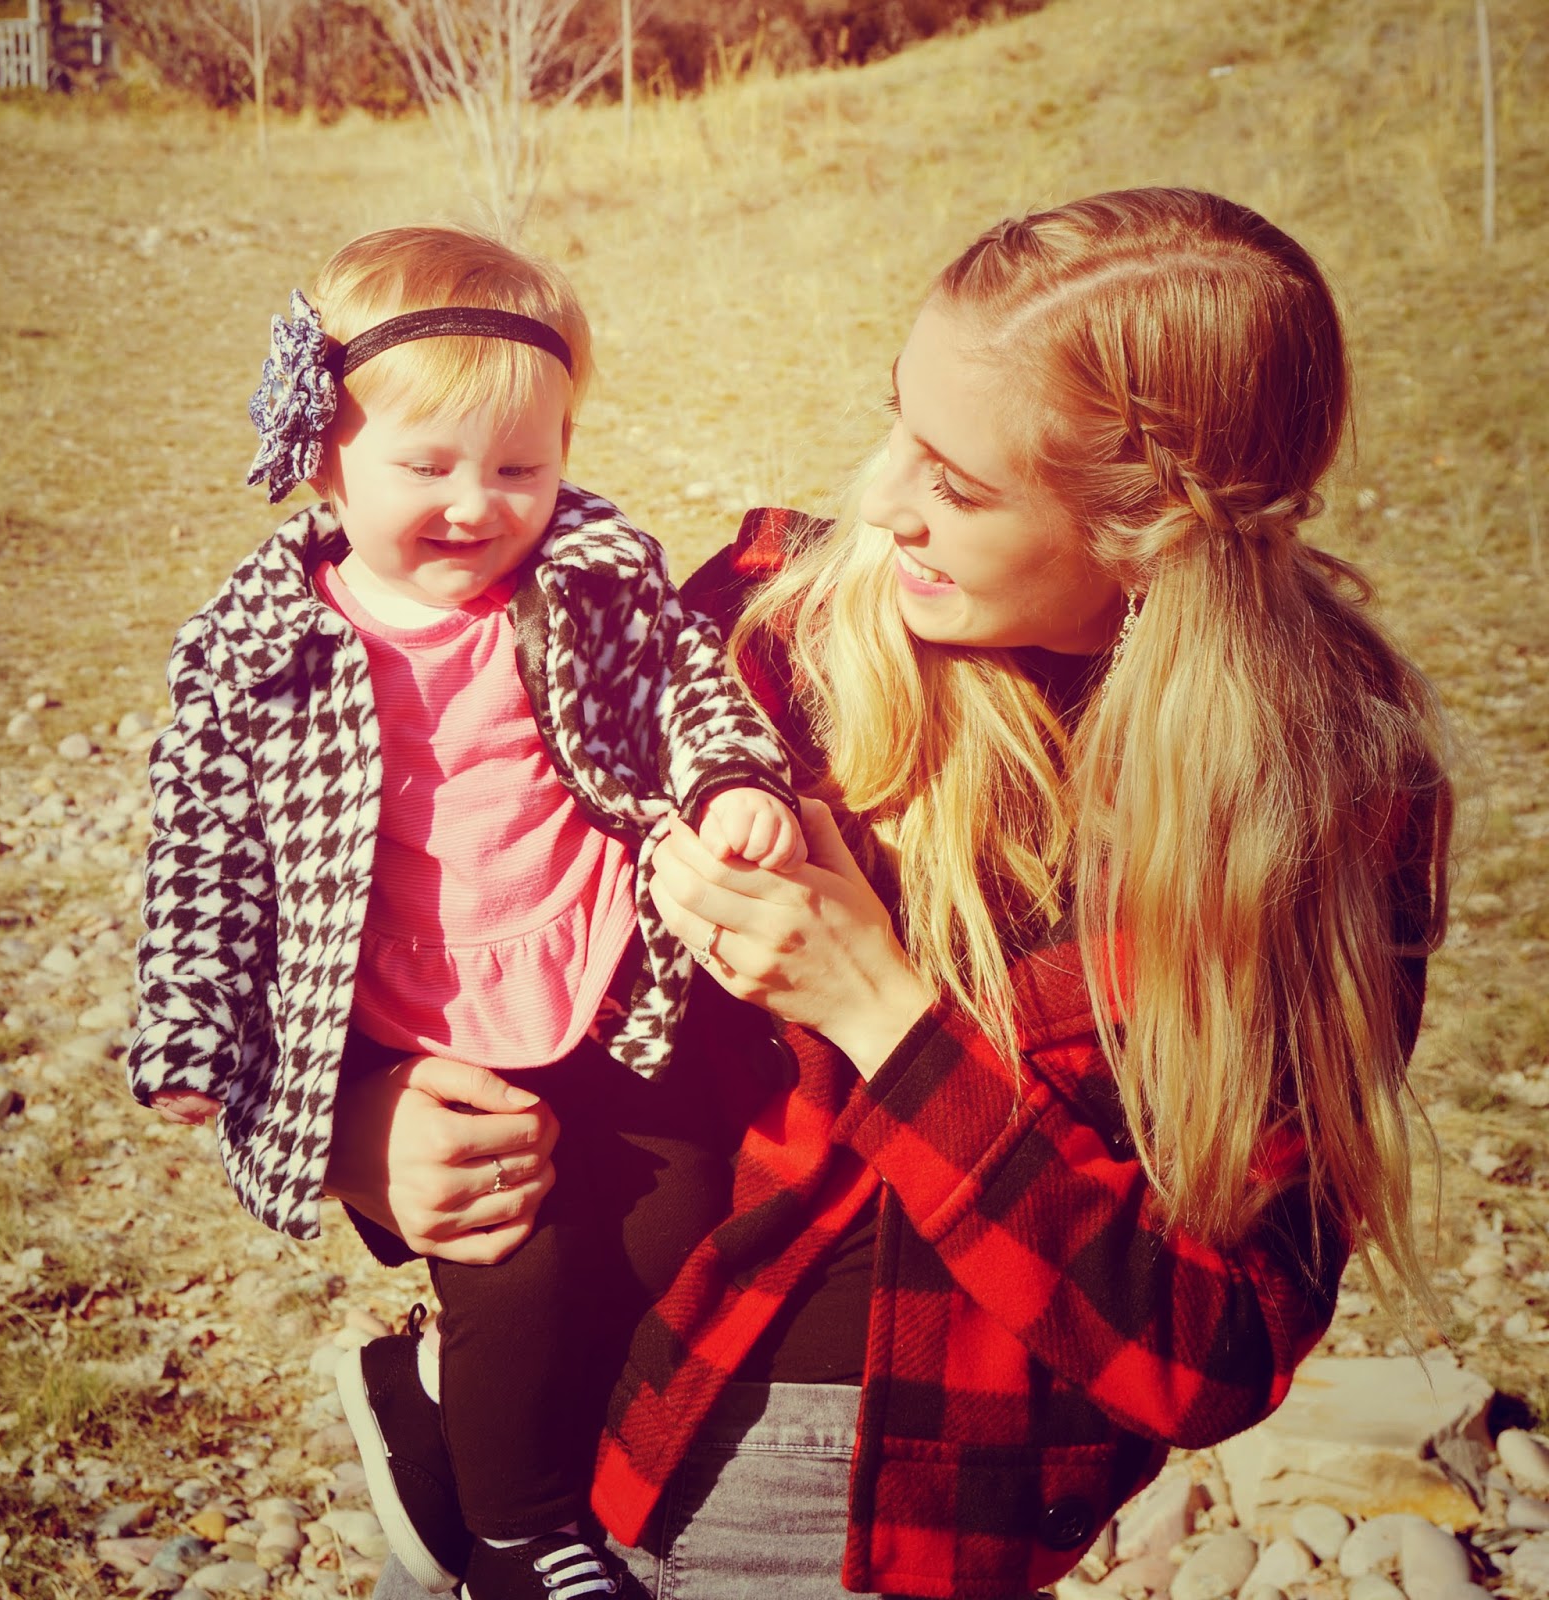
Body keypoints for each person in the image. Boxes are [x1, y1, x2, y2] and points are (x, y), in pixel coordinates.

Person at [344, 188, 1455, 1600]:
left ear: (1156, 532)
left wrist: (881, 1012)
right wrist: (366, 1128)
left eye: (961, 486)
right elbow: (438, 890)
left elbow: (1211, 1351)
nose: (881, 502)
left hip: (839, 1500)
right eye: (900, 425)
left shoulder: (1322, 804)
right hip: (535, 1404)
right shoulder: (775, 632)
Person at [127, 224, 809, 1600]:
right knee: (516, 1267)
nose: (476, 505)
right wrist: (193, 1021)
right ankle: (517, 1527)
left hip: (601, 976)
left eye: (518, 468)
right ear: (325, 457)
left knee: (676, 1228)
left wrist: (734, 776)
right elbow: (204, 848)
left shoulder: (593, 576)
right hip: (422, 1022)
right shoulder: (257, 645)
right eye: (426, 467)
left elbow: (686, 684)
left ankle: (474, 1415)